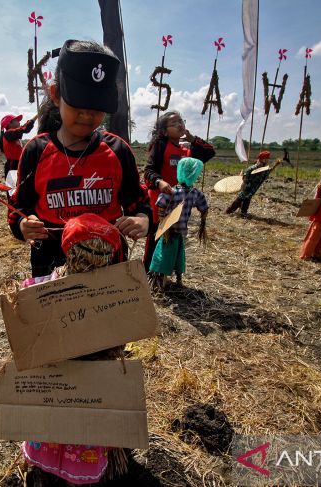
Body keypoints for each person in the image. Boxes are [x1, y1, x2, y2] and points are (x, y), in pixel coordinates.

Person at [9, 39, 151, 277]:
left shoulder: (117, 151)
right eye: (78, 104)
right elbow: (18, 206)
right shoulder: (36, 151)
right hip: (52, 264)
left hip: (108, 264)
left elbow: (138, 201)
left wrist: (142, 220)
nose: (87, 114)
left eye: (96, 106)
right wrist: (23, 225)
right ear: (55, 95)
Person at [20, 213, 128, 485]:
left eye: (98, 253)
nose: (92, 258)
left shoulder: (39, 289)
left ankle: (57, 472)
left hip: (58, 385)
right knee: (81, 429)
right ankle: (69, 475)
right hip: (81, 388)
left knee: (60, 428)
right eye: (87, 252)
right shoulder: (116, 298)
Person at [142, 111, 215, 271]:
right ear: (164, 131)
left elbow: (210, 152)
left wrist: (192, 139)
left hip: (180, 204)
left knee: (173, 239)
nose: (180, 125)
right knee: (156, 236)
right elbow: (148, 171)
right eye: (174, 124)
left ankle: (165, 272)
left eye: (181, 121)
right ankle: (147, 271)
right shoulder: (161, 145)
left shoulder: (188, 152)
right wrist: (159, 182)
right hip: (161, 202)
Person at [149, 157, 208, 291]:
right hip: (180, 231)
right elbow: (204, 207)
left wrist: (163, 222)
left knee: (164, 255)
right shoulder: (195, 193)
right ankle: (178, 279)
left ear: (179, 171)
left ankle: (162, 280)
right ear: (194, 174)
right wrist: (202, 223)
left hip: (168, 231)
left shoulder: (171, 191)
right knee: (178, 255)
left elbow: (160, 206)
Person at [225, 150, 283, 217]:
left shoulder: (264, 169)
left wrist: (276, 165)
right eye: (266, 158)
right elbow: (245, 176)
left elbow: (268, 171)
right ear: (262, 159)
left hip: (254, 188)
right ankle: (229, 211)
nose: (267, 160)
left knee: (247, 199)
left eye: (268, 159)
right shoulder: (253, 168)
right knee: (240, 198)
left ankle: (243, 212)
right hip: (248, 187)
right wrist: (244, 184)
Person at [0, 114, 35, 180]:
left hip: (18, 163)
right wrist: (31, 121)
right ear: (9, 123)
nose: (19, 122)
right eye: (17, 120)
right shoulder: (8, 134)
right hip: (12, 165)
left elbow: (23, 130)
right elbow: (23, 129)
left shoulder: (14, 135)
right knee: (13, 186)